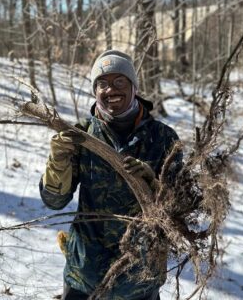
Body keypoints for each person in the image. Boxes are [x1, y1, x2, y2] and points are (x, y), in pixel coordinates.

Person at [39, 49, 180, 300]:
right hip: (84, 277)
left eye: (119, 82)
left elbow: (180, 209)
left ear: (134, 87)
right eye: (102, 83)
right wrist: (58, 160)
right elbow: (54, 201)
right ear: (95, 91)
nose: (110, 90)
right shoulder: (82, 135)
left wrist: (153, 183)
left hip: (140, 282)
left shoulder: (163, 138)